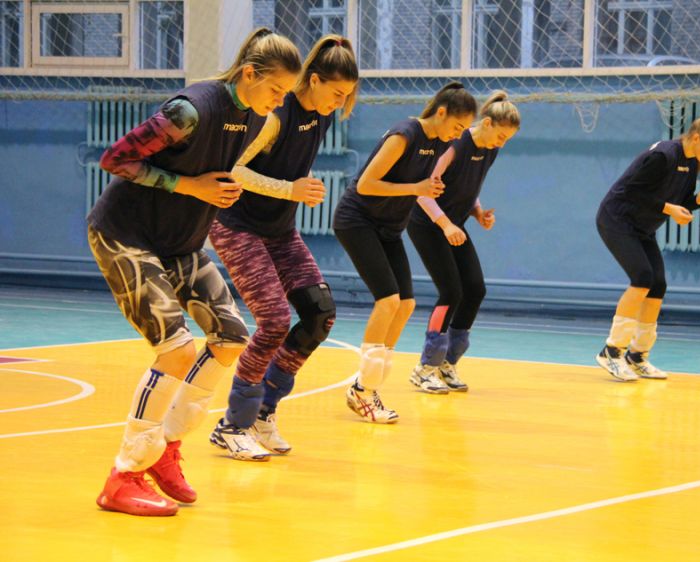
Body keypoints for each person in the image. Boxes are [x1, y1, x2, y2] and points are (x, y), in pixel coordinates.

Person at [89, 28, 302, 516]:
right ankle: (124, 475)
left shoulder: (256, 117)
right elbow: (115, 159)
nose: (280, 100)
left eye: (285, 93)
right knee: (178, 349)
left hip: (180, 243)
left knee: (230, 338)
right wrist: (190, 186)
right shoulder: (190, 110)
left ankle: (165, 449)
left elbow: (217, 171)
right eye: (276, 89)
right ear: (249, 73)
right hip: (126, 235)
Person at [207, 35, 359, 459]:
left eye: (347, 96)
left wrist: (296, 188)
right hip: (237, 226)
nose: (340, 103)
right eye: (336, 93)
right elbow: (234, 170)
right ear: (314, 81)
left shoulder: (321, 117)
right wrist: (289, 189)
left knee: (320, 314)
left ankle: (263, 412)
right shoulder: (276, 115)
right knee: (274, 321)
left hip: (278, 229)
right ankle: (232, 424)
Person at [332, 82, 476, 423]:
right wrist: (417, 188)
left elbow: (421, 187)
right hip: (358, 220)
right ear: (441, 112)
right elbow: (366, 184)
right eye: (457, 126)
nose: (459, 135)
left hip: (389, 227)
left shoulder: (440, 143)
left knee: (406, 304)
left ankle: (366, 387)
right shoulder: (405, 134)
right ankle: (364, 391)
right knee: (388, 301)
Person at [595, 113, 700, 381]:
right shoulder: (663, 156)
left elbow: (679, 201)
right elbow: (633, 192)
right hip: (617, 219)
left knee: (657, 285)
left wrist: (698, 201)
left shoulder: (692, 163)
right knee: (642, 278)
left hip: (643, 227)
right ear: (696, 137)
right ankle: (611, 351)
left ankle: (637, 356)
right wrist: (670, 209)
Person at [407, 91, 520, 393]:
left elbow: (469, 185)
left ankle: (447, 363)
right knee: (451, 292)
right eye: (501, 136)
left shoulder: (490, 149)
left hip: (454, 224)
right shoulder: (455, 145)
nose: (502, 143)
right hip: (428, 222)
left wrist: (477, 212)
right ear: (487, 123)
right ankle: (425, 368)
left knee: (475, 289)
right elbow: (422, 191)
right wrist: (445, 224)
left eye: (508, 139)